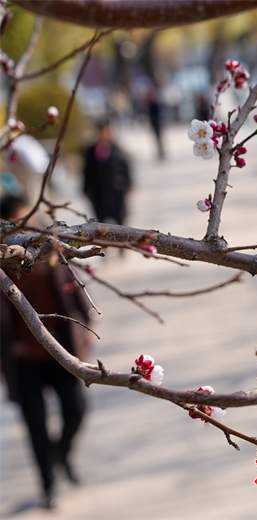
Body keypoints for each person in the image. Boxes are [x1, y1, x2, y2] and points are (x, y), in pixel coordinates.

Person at [0, 194, 93, 510]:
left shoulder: (48, 248)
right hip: (22, 360)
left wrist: (84, 333)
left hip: (59, 352)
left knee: (76, 410)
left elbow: (73, 292)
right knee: (35, 426)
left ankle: (62, 454)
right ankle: (48, 485)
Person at [81, 119, 133, 227]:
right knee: (101, 222)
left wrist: (127, 184)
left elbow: (125, 168)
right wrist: (86, 189)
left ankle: (122, 242)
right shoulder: (90, 151)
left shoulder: (117, 149)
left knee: (120, 221)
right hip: (98, 193)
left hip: (116, 192)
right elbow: (87, 171)